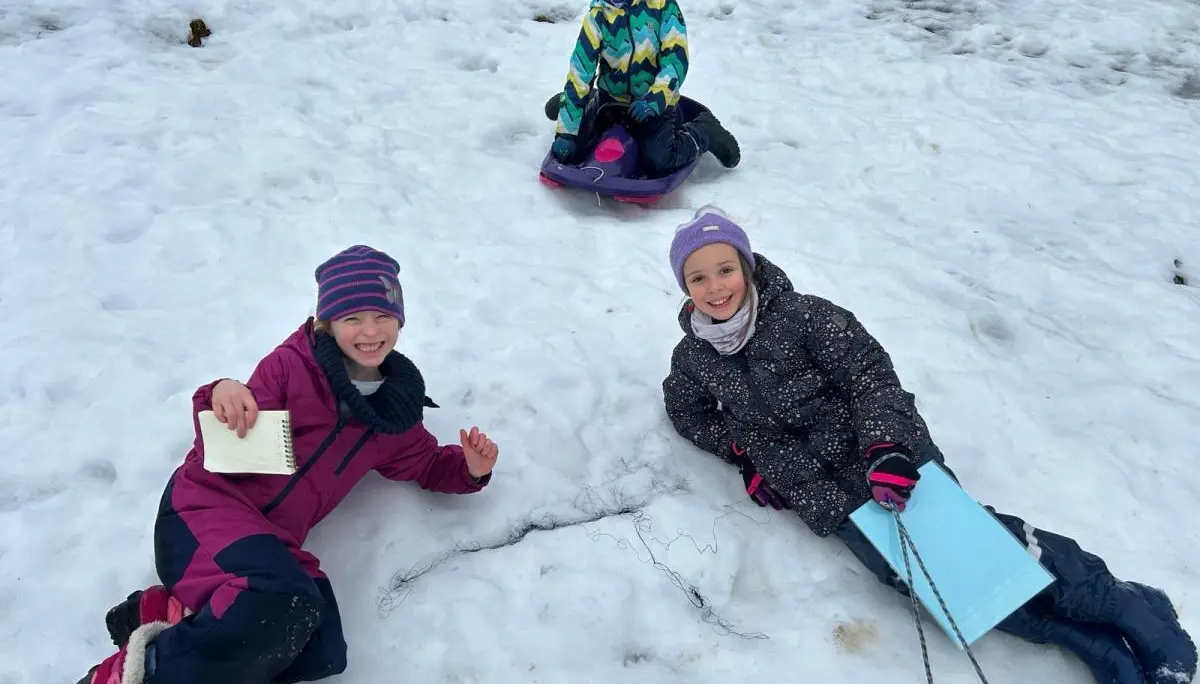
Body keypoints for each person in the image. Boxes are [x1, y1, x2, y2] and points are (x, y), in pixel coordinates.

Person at [660, 207, 1197, 684]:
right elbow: (685, 411)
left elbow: (871, 379)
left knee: (974, 545)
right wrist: (744, 458)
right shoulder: (695, 358)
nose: (715, 287)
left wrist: (887, 449)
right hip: (824, 494)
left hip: (886, 460)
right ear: (686, 288)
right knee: (925, 582)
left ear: (747, 267)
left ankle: (1123, 605)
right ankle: (1084, 641)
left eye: (725, 269)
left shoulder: (806, 316)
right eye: (698, 277)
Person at [78, 245, 500, 684]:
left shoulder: (394, 414)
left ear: (399, 320)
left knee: (323, 651)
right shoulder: (292, 368)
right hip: (205, 510)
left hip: (269, 544)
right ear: (328, 323)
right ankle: (135, 675)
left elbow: (427, 464)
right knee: (282, 596)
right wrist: (221, 390)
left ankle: (179, 612)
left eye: (382, 316)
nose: (369, 330)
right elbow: (230, 416)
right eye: (352, 318)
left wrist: (470, 469)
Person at [543, 0, 741, 175]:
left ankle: (704, 130)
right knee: (574, 151)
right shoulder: (598, 15)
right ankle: (576, 106)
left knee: (660, 161)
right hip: (609, 100)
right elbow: (579, 73)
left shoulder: (662, 7)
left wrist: (655, 99)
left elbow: (675, 61)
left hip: (654, 104)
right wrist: (567, 133)